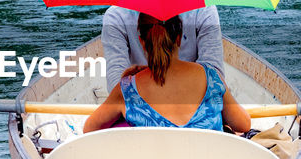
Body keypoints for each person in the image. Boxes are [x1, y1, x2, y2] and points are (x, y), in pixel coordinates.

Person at [84, 13, 251, 134]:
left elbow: (89, 129)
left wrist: (128, 79)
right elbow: (243, 125)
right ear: (179, 37)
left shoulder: (126, 89)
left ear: (142, 41)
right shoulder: (212, 78)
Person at [101, 5, 224, 95]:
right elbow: (215, 80)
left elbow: (116, 86)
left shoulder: (204, 11)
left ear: (142, 41)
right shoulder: (204, 10)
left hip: (141, 101)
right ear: (178, 38)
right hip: (193, 98)